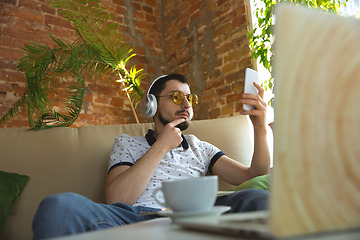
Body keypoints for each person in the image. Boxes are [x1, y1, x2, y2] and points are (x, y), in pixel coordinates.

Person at [32, 73, 270, 239]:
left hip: (196, 216)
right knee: (59, 206)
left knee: (258, 198)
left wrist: (259, 128)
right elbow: (118, 197)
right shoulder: (126, 143)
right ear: (153, 105)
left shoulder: (200, 147)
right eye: (177, 97)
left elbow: (254, 176)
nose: (186, 104)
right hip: (135, 217)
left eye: (190, 98)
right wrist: (160, 146)